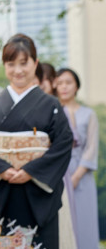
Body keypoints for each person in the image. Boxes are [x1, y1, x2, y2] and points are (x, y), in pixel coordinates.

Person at [0, 34, 72, 248]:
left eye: (24, 63)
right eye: (11, 64)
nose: (18, 70)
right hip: (1, 191)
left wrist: (31, 170)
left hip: (37, 193)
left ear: (35, 63)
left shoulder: (51, 105)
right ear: (4, 66)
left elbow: (63, 144)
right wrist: (1, 169)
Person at [55, 67, 100, 248]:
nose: (64, 87)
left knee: (84, 223)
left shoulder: (89, 114)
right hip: (58, 174)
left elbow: (91, 148)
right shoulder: (53, 111)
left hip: (82, 177)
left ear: (76, 86)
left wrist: (76, 177)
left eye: (68, 82)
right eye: (60, 83)